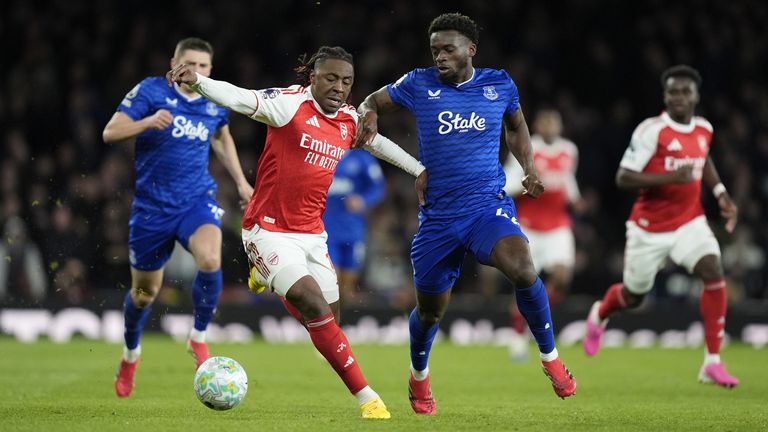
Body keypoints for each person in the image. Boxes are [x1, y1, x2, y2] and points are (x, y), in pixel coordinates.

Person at [168, 45, 425, 419]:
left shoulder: (349, 121)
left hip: (311, 233)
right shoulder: (289, 104)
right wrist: (200, 82)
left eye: (347, 82)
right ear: (313, 78)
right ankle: (369, 398)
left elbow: (381, 146)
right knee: (311, 301)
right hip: (267, 230)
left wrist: (419, 170)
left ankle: (265, 276)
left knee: (329, 323)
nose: (339, 87)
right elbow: (241, 98)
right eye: (332, 78)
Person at [354, 13, 577, 415]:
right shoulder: (417, 83)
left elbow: (517, 128)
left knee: (524, 268)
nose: (439, 56)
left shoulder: (499, 84)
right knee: (430, 311)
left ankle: (550, 358)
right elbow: (372, 100)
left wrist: (528, 168)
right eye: (435, 49)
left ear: (470, 49)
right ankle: (418, 375)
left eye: (448, 49)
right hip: (438, 217)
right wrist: (369, 112)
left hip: (485, 205)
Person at [102, 37, 254, 398]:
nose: (195, 71)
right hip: (151, 210)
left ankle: (198, 337)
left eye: (203, 66)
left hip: (195, 202)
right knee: (143, 294)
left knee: (211, 257)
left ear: (210, 70)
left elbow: (221, 137)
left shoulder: (214, 98)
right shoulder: (151, 91)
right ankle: (130, 354)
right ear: (174, 62)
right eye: (189, 63)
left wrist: (241, 182)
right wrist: (147, 122)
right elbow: (111, 132)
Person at [582, 65, 740, 388]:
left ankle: (712, 362)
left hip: (689, 222)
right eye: (673, 92)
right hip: (648, 228)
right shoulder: (651, 131)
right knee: (634, 296)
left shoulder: (704, 129)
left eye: (685, 91)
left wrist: (721, 192)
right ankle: (600, 312)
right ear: (665, 96)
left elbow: (703, 159)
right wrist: (671, 176)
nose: (679, 97)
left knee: (713, 269)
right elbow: (623, 177)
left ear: (696, 96)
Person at [503, 109, 584, 361]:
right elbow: (506, 184)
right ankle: (518, 334)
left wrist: (575, 198)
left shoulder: (569, 150)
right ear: (536, 125)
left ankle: (531, 317)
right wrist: (527, 184)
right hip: (528, 226)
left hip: (558, 224)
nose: (550, 126)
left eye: (554, 121)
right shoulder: (527, 148)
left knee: (561, 279)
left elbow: (567, 178)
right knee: (527, 284)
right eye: (545, 121)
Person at [322, 149, 386, 306]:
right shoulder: (323, 154)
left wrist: (363, 200)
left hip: (354, 232)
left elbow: (378, 187)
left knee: (346, 288)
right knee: (331, 282)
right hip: (326, 232)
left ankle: (338, 324)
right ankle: (324, 326)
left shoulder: (362, 158)